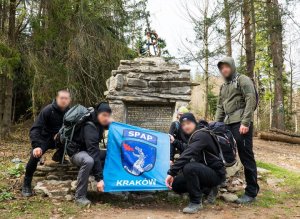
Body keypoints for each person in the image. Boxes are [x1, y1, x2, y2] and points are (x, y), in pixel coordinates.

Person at [215, 56, 259, 204]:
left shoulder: (243, 80)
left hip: (241, 123)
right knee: (219, 151)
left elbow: (250, 99)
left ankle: (251, 192)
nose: (224, 69)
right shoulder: (224, 86)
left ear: (232, 66)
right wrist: (215, 125)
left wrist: (245, 122)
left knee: (246, 156)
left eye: (226, 66)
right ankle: (220, 181)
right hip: (227, 123)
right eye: (221, 68)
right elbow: (220, 107)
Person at [165, 113, 226, 214]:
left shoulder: (202, 134)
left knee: (189, 168)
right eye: (183, 125)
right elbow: (188, 148)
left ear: (194, 122)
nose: (186, 126)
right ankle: (207, 189)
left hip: (216, 173)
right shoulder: (195, 135)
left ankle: (196, 202)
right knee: (176, 185)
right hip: (204, 171)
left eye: (188, 123)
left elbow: (188, 153)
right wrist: (175, 142)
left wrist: (171, 172)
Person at [22, 90, 71, 197]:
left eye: (66, 98)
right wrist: (36, 146)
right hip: (44, 139)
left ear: (69, 100)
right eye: (61, 98)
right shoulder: (48, 110)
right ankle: (26, 183)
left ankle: (59, 155)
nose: (64, 100)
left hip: (60, 139)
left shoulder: (70, 112)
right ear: (57, 98)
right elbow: (35, 129)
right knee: (35, 156)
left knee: (73, 141)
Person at [68, 102, 111, 207]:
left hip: (87, 151)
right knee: (89, 160)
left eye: (108, 116)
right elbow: (93, 152)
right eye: (104, 115)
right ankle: (80, 197)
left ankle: (107, 181)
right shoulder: (89, 126)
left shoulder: (99, 122)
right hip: (76, 153)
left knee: (110, 154)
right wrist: (99, 179)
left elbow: (109, 126)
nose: (106, 118)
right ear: (98, 113)